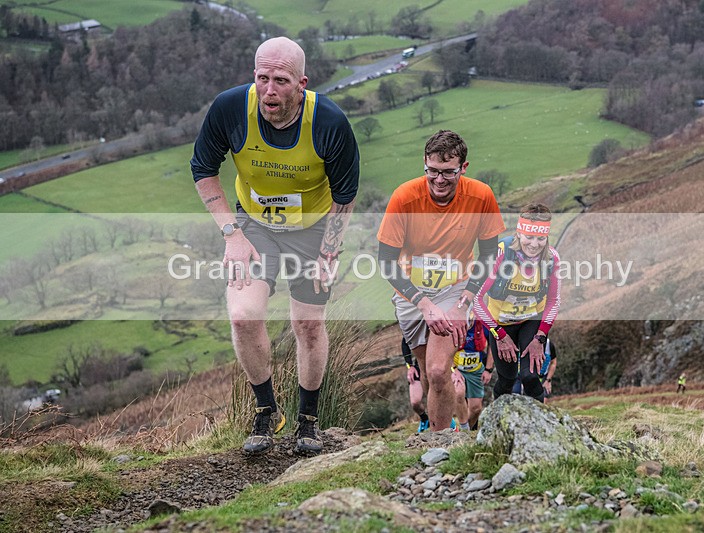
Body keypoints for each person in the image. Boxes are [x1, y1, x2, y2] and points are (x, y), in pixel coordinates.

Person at [190, 37, 360, 455]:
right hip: (252, 225)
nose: (269, 90)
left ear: (301, 83)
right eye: (262, 78)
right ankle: (266, 412)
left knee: (308, 324)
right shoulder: (230, 108)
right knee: (244, 316)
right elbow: (202, 169)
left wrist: (329, 253)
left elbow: (345, 194)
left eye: (281, 81)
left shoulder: (329, 123)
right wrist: (231, 234)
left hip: (313, 228)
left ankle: (308, 420)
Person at [377, 130, 505, 432]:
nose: (439, 180)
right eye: (432, 171)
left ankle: (440, 444)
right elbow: (386, 261)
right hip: (411, 294)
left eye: (448, 172)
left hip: (455, 289)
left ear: (464, 167)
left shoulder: (481, 195)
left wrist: (463, 305)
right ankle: (440, 438)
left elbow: (488, 256)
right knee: (427, 372)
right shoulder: (405, 197)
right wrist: (423, 304)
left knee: (437, 370)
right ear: (425, 163)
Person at [473, 203, 561, 403]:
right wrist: (499, 334)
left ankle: (540, 425)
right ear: (519, 234)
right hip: (500, 324)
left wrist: (540, 337)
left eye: (540, 238)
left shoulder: (552, 258)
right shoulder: (500, 254)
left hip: (531, 320)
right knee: (507, 379)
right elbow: (476, 299)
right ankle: (498, 424)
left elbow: (554, 301)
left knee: (530, 377)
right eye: (529, 237)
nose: (534, 244)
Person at [451, 320, 494, 431]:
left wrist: (488, 369)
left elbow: (493, 345)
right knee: (459, 393)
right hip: (457, 369)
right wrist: (453, 369)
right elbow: (443, 350)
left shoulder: (483, 323)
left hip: (476, 370)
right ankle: (464, 429)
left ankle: (467, 431)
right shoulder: (453, 322)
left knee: (476, 409)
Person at [402, 337, 429, 433]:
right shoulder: (416, 324)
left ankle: (448, 422)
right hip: (418, 366)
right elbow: (405, 341)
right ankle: (425, 419)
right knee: (415, 402)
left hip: (437, 366)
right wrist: (410, 366)